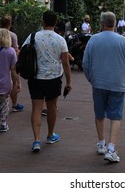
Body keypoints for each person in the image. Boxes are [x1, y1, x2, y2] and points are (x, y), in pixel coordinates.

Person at [82, 11, 125, 163]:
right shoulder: (121, 41)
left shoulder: (93, 39)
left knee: (99, 114)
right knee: (115, 116)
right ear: (115, 24)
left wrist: (91, 79)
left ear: (101, 23)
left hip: (98, 83)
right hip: (118, 83)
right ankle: (111, 149)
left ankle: (101, 144)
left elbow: (85, 63)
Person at [21, 10, 72, 153]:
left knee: (36, 108)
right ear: (55, 23)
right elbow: (66, 62)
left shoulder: (33, 36)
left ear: (42, 22)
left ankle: (36, 140)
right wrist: (69, 81)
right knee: (52, 107)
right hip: (54, 77)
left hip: (36, 77)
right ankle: (50, 135)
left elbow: (22, 53)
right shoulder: (60, 40)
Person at [0, 14, 23, 112]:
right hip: (9, 61)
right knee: (14, 81)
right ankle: (14, 104)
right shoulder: (12, 35)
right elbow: (15, 50)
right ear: (10, 24)